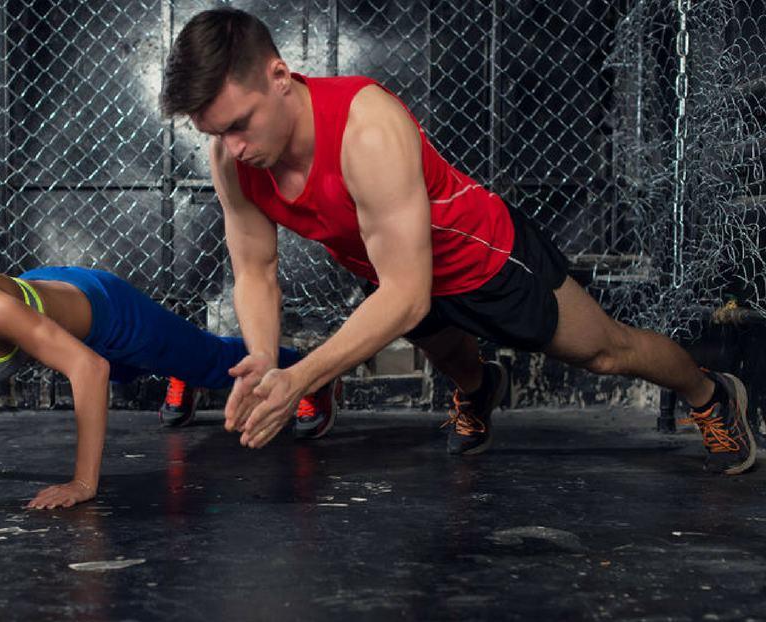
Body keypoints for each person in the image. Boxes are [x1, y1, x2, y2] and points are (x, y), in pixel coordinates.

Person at [159, 7, 755, 473]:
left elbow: (409, 296)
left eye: (240, 124)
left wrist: (302, 377)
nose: (232, 147)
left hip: (482, 257)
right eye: (216, 132)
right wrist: (264, 358)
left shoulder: (366, 131)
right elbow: (256, 270)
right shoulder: (231, 159)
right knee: (455, 362)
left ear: (280, 77)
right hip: (395, 272)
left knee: (605, 351)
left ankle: (709, 393)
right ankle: (480, 390)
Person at [0, 243, 339, 508]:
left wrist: (83, 484)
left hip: (104, 314)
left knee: (213, 362)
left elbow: (87, 366)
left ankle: (310, 372)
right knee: (128, 374)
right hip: (45, 298)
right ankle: (175, 373)